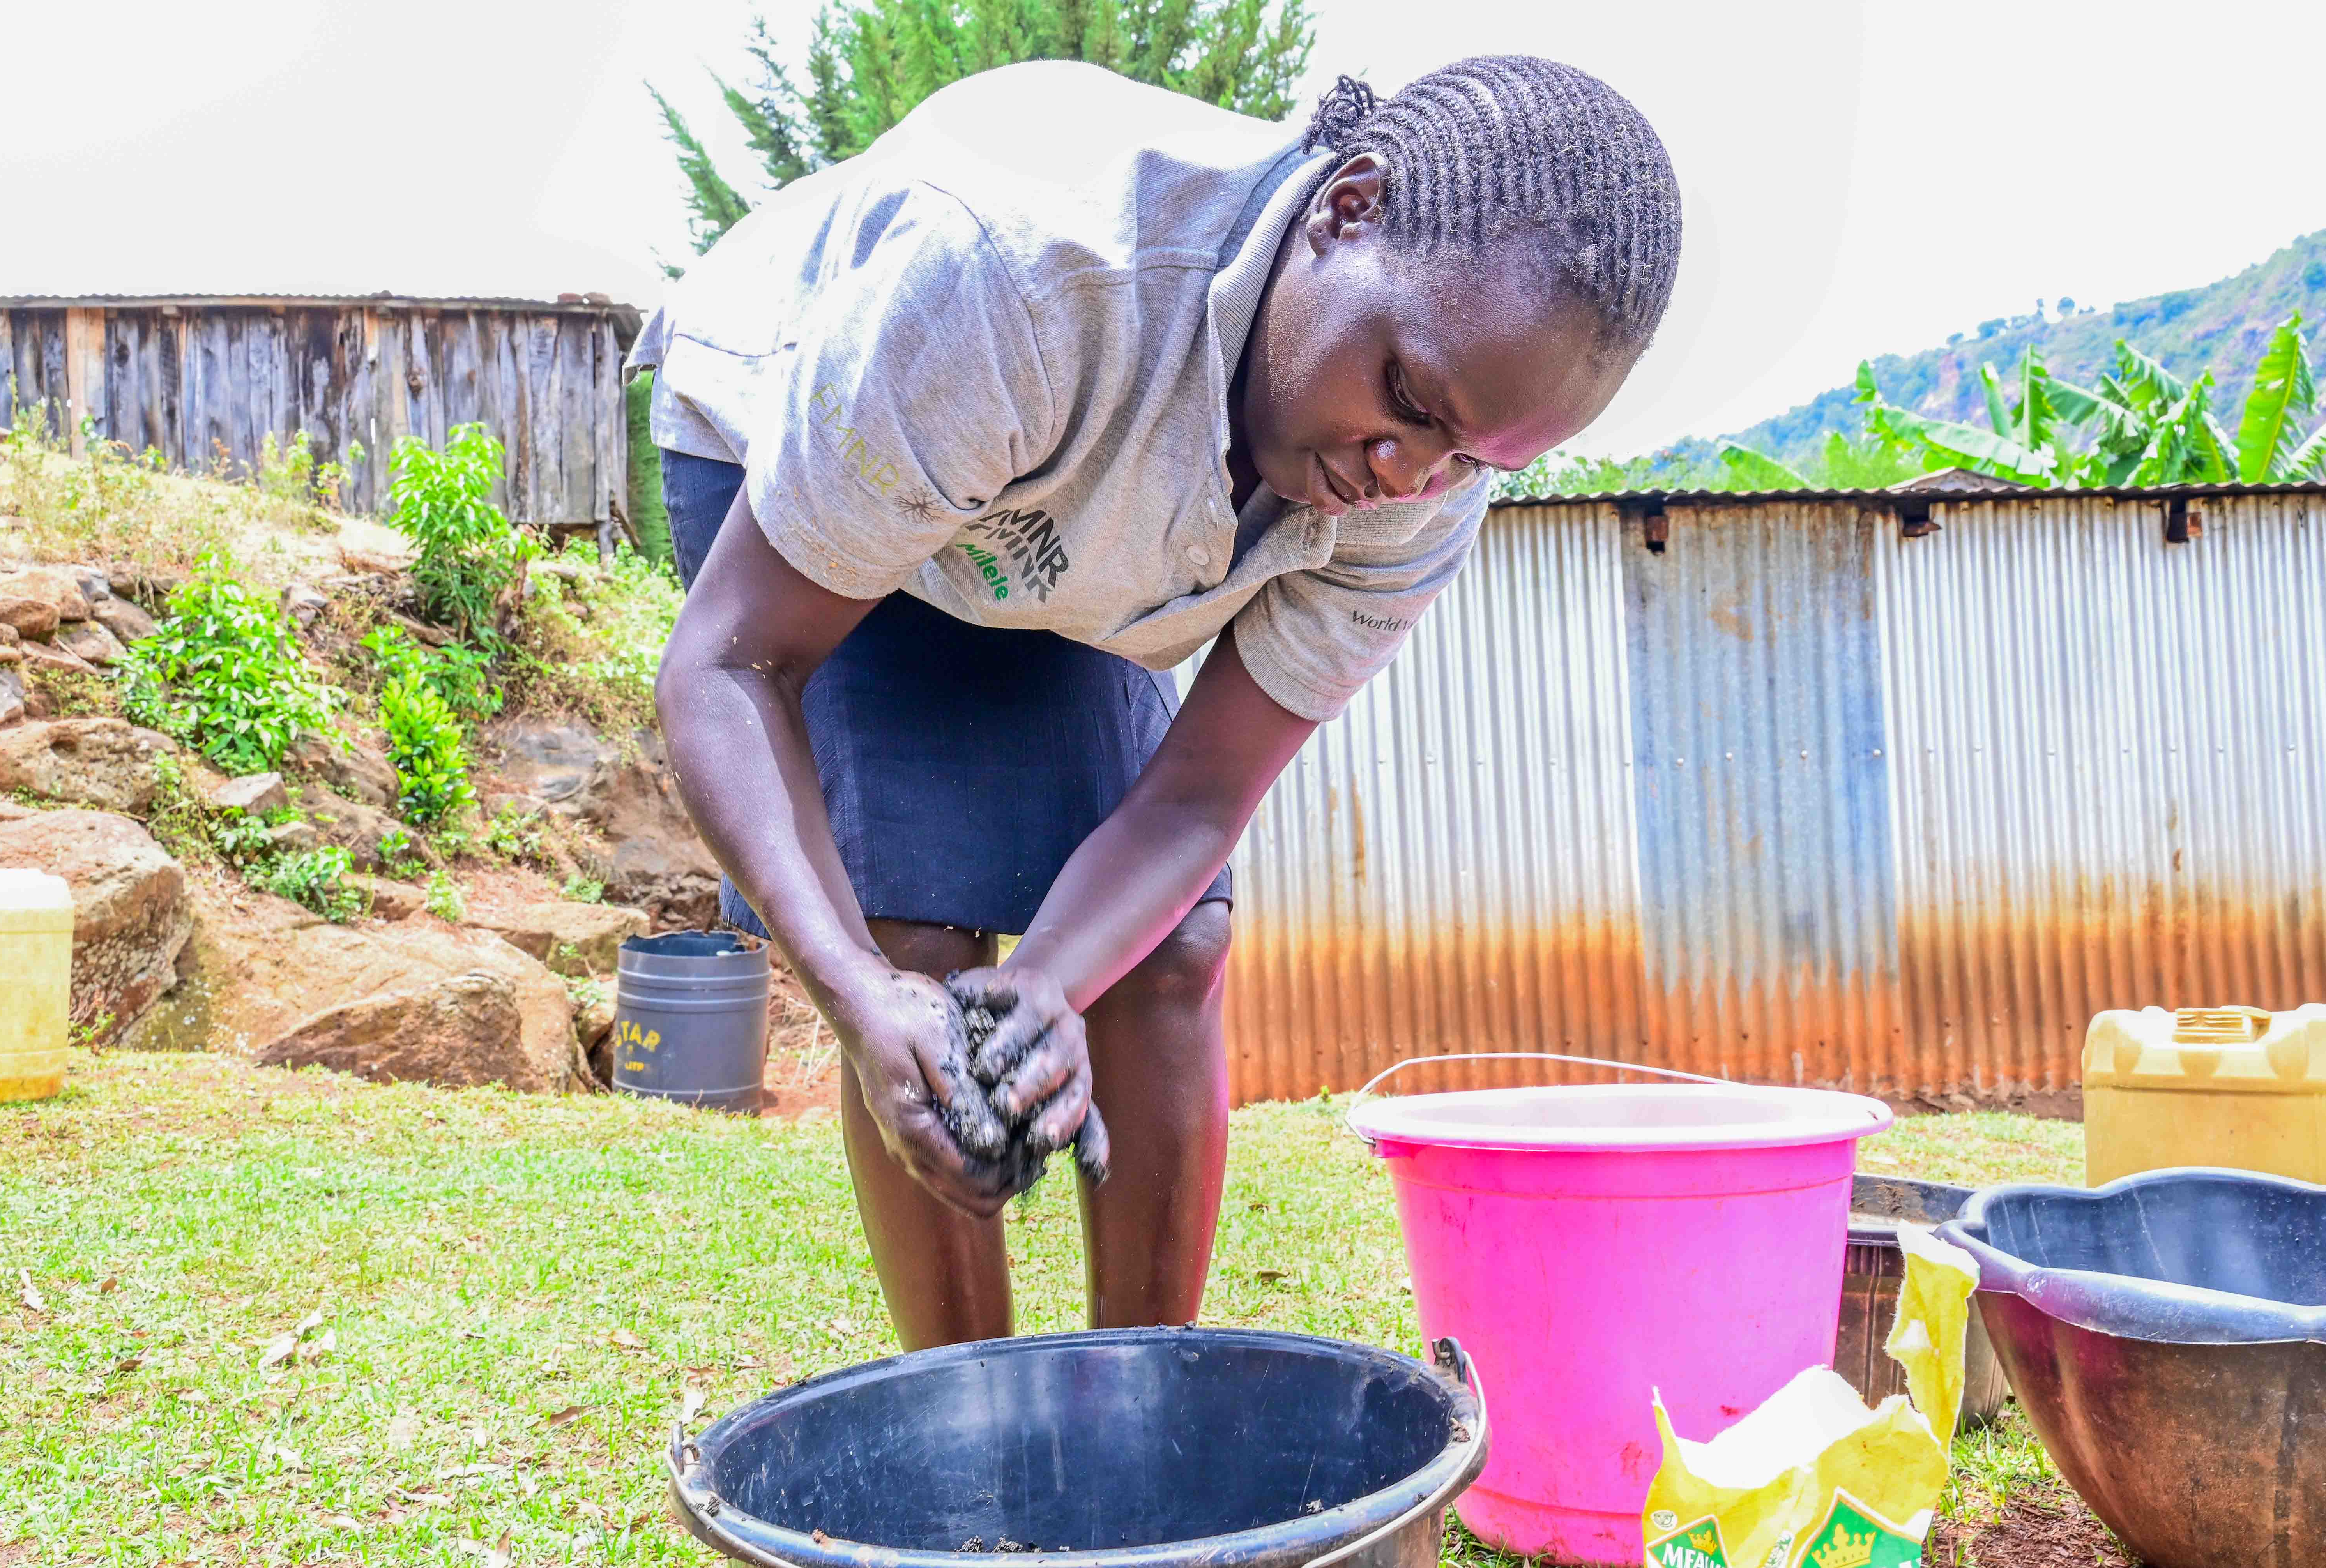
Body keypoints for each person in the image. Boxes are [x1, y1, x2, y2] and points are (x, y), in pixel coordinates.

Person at [642, 55, 1680, 1350]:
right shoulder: (1027, 282)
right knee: (916, 945)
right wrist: (857, 995)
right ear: (1344, 208)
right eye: (1409, 401)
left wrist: (1051, 994)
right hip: (805, 442)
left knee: (1171, 950)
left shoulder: (1425, 486)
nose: (1404, 474)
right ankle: (975, 1449)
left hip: (1057, 524)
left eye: (1470, 454)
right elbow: (731, 668)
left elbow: (1195, 801)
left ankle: (1145, 1422)